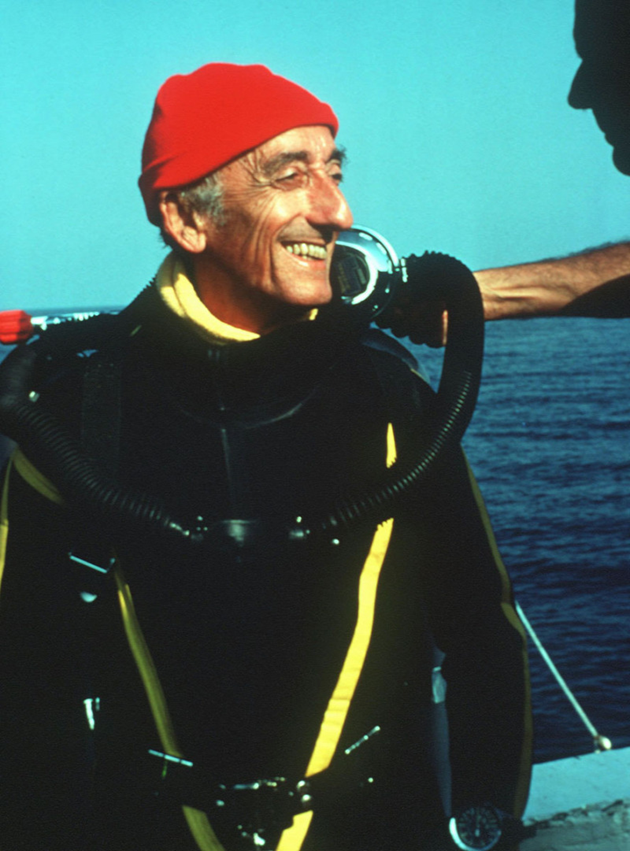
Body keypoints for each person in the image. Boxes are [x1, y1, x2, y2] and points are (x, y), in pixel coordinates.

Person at [0, 63, 531, 850]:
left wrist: (483, 820)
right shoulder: (75, 414)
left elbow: (484, 631)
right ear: (187, 218)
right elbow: (23, 682)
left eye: (335, 171)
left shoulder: (390, 396)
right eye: (291, 175)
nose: (338, 210)